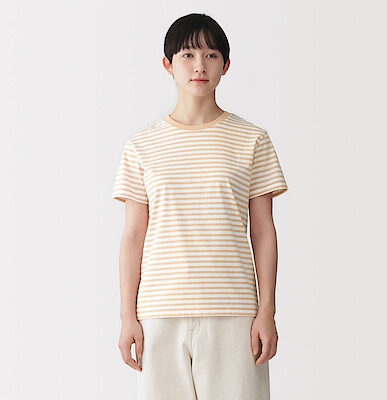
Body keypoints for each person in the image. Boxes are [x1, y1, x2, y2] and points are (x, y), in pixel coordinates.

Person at [112, 13, 288, 400]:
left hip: (235, 311)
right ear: (168, 64)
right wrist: (128, 317)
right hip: (159, 313)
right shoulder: (141, 146)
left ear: (226, 65)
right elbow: (133, 237)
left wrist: (267, 312)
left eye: (211, 55)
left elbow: (263, 231)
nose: (199, 66)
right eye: (188, 55)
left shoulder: (252, 140)